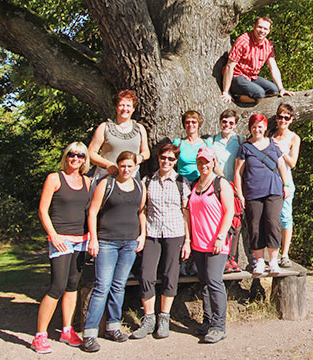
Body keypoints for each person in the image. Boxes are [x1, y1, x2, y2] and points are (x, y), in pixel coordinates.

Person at [81, 151, 146, 353]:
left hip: (129, 242)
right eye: (123, 166)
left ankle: (113, 326)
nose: (126, 169)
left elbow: (141, 211)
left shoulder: (139, 186)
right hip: (107, 242)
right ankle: (90, 333)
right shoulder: (106, 184)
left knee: (119, 286)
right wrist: (93, 238)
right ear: (118, 166)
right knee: (102, 286)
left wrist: (142, 235)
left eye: (130, 166)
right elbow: (92, 211)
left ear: (135, 166)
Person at [31, 142, 91, 354]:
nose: (76, 159)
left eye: (80, 156)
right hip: (60, 239)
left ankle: (67, 330)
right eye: (72, 155)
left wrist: (91, 236)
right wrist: (53, 235)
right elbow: (42, 209)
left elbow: (89, 212)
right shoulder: (54, 178)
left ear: (85, 160)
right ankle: (40, 335)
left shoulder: (87, 181)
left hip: (81, 239)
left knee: (73, 285)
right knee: (57, 286)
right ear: (66, 156)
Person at [131, 144, 192, 340]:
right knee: (146, 274)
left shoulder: (181, 182)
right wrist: (142, 234)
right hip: (152, 233)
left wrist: (188, 240)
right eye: (163, 158)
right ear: (158, 158)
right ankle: (149, 318)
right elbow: (142, 210)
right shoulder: (148, 180)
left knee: (169, 274)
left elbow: (186, 213)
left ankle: (164, 317)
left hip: (175, 233)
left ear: (176, 161)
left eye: (171, 159)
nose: (166, 162)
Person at [234, 114, 291, 275]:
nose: (257, 129)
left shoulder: (273, 145)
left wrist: (286, 185)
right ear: (250, 128)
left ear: (265, 127)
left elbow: (282, 166)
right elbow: (238, 173)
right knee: (255, 226)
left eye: (260, 126)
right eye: (254, 126)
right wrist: (240, 194)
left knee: (272, 224)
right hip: (252, 191)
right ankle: (258, 261)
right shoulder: (245, 147)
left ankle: (273, 261)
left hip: (273, 190)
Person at [188, 147, 234, 344]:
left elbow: (229, 211)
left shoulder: (220, 183)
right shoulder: (194, 184)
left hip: (216, 242)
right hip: (199, 243)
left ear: (213, 161)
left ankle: (219, 325)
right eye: (200, 162)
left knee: (215, 282)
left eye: (207, 161)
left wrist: (220, 236)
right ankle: (207, 321)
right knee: (205, 283)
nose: (204, 165)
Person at [221, 15, 293, 104]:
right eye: (260, 27)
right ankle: (237, 98)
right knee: (259, 93)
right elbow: (229, 66)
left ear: (269, 31)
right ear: (254, 26)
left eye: (265, 29)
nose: (262, 31)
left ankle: (246, 97)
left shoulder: (268, 45)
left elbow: (273, 68)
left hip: (251, 77)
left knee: (274, 90)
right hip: (236, 77)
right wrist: (226, 91)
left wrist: (282, 89)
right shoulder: (243, 41)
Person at [88, 89, 150, 181]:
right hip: (106, 176)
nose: (125, 109)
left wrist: (140, 158)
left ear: (133, 109)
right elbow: (91, 152)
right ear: (116, 108)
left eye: (128, 106)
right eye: (121, 105)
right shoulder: (105, 127)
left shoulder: (140, 129)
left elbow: (146, 152)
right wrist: (108, 165)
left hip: (131, 177)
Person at [211, 109, 243, 273]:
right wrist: (223, 180)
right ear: (220, 122)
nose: (227, 125)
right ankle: (219, 257)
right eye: (225, 122)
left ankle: (232, 259)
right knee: (218, 221)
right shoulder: (212, 141)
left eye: (231, 123)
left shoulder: (240, 140)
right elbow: (213, 162)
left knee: (235, 222)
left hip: (235, 186)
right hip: (217, 185)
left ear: (235, 124)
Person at [271, 104, 301, 268]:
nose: (283, 120)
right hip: (269, 181)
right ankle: (271, 254)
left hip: (285, 182)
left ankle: (285, 254)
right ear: (276, 118)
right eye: (280, 117)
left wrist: (280, 151)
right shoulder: (270, 134)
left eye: (286, 117)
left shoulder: (294, 138)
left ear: (291, 120)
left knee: (285, 217)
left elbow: (293, 163)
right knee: (270, 218)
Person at [173, 110, 213, 183]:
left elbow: (215, 165)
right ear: (184, 125)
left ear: (198, 124)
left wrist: (223, 179)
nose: (190, 124)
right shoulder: (178, 143)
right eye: (187, 122)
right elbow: (170, 162)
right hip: (182, 183)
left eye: (193, 122)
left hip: (202, 182)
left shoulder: (207, 143)